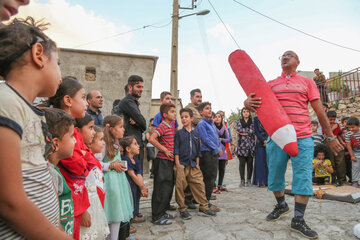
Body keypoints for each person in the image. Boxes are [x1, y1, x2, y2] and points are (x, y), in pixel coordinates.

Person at [245, 50, 343, 239]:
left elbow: (319, 110)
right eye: (282, 55)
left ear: (298, 61)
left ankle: (298, 219)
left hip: (303, 137)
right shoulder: (271, 84)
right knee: (274, 177)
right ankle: (281, 204)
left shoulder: (308, 82)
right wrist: (247, 102)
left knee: (303, 177)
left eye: (289, 55)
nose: (285, 57)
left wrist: (329, 136)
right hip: (277, 138)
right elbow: (253, 102)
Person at [0, 17, 71, 239]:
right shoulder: (6, 103)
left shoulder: (29, 110)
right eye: (57, 63)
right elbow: (9, 201)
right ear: (38, 54)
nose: (60, 73)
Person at [49, 76, 98, 240]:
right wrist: (83, 158)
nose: (86, 103)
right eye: (83, 97)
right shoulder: (61, 128)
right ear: (68, 100)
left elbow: (91, 161)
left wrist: (84, 157)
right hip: (68, 203)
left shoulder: (73, 131)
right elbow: (79, 166)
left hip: (77, 200)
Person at [174, 108, 217, 219]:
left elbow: (198, 150)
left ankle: (204, 206)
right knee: (180, 186)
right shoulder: (179, 133)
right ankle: (183, 209)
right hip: (182, 164)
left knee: (199, 184)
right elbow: (176, 149)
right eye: (182, 117)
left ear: (191, 119)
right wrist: (178, 164)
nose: (184, 119)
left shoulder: (196, 134)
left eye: (186, 117)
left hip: (193, 164)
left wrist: (197, 163)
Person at [100, 115, 134, 240]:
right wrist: (111, 165)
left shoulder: (116, 143)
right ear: (111, 129)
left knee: (117, 214)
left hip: (118, 182)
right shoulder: (104, 144)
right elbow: (95, 163)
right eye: (120, 127)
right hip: (110, 182)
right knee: (112, 213)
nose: (123, 129)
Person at [43, 108, 76, 237]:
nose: (75, 141)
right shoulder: (49, 174)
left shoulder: (54, 171)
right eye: (72, 136)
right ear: (55, 143)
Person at [76, 115, 109, 240]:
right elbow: (82, 184)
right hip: (87, 207)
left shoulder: (92, 158)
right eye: (100, 140)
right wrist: (84, 210)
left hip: (96, 205)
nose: (103, 143)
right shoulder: (84, 158)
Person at [149, 103, 177, 225]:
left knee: (168, 187)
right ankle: (156, 216)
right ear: (165, 115)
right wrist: (164, 149)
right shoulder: (162, 126)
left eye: (175, 111)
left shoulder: (170, 126)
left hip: (169, 162)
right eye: (172, 111)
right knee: (160, 188)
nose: (175, 113)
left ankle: (163, 211)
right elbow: (151, 138)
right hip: (162, 161)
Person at [115, 75, 146, 171]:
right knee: (133, 178)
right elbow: (143, 123)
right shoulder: (128, 102)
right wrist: (139, 123)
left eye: (142, 87)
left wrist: (137, 123)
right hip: (130, 147)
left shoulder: (134, 103)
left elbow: (142, 124)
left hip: (135, 146)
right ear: (130, 87)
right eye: (138, 87)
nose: (141, 89)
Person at [196, 102, 222, 212]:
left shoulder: (211, 124)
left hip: (214, 153)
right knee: (208, 179)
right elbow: (205, 140)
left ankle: (207, 201)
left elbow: (217, 138)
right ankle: (204, 204)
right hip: (207, 154)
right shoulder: (202, 124)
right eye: (207, 108)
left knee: (212, 178)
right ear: (201, 112)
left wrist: (219, 147)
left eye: (210, 108)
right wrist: (216, 149)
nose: (209, 110)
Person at [120, 136, 149, 224]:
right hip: (129, 183)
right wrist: (141, 186)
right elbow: (132, 174)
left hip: (136, 183)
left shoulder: (136, 160)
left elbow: (139, 174)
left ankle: (135, 214)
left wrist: (142, 187)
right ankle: (131, 216)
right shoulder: (125, 159)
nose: (138, 146)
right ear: (128, 149)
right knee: (131, 198)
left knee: (136, 197)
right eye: (135, 144)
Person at [324, 110, 345, 185]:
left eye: (334, 119)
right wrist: (332, 128)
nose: (332, 121)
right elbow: (325, 135)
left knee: (340, 162)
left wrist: (342, 143)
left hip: (337, 144)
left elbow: (339, 135)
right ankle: (333, 179)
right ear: (326, 119)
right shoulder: (325, 125)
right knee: (331, 161)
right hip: (328, 145)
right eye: (330, 119)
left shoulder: (337, 125)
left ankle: (341, 179)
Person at [236, 107, 255, 187]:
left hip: (251, 145)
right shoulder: (239, 122)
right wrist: (248, 132)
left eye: (247, 111)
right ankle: (242, 180)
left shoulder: (252, 122)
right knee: (242, 163)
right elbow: (239, 130)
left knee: (250, 163)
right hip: (241, 145)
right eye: (244, 112)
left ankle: (249, 180)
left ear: (249, 113)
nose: (246, 113)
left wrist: (243, 133)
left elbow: (253, 131)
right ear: (242, 113)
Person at [214, 111, 231, 192]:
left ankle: (220, 185)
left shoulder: (224, 129)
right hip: (215, 150)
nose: (217, 118)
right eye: (215, 116)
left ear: (221, 119)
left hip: (223, 151)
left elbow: (228, 140)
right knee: (214, 169)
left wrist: (221, 139)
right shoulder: (212, 127)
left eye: (219, 117)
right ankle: (213, 186)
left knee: (222, 169)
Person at [252, 116, 269, 187]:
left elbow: (270, 129)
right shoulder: (256, 119)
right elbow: (256, 131)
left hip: (269, 141)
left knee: (268, 162)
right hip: (260, 142)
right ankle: (260, 181)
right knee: (260, 162)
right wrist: (263, 140)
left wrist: (267, 141)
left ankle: (268, 181)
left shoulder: (269, 117)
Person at [345, 117, 360, 188]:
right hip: (355, 153)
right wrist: (352, 156)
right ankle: (355, 181)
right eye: (349, 128)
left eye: (353, 127)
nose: (351, 129)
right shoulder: (348, 134)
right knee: (355, 167)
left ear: (358, 126)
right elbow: (349, 146)